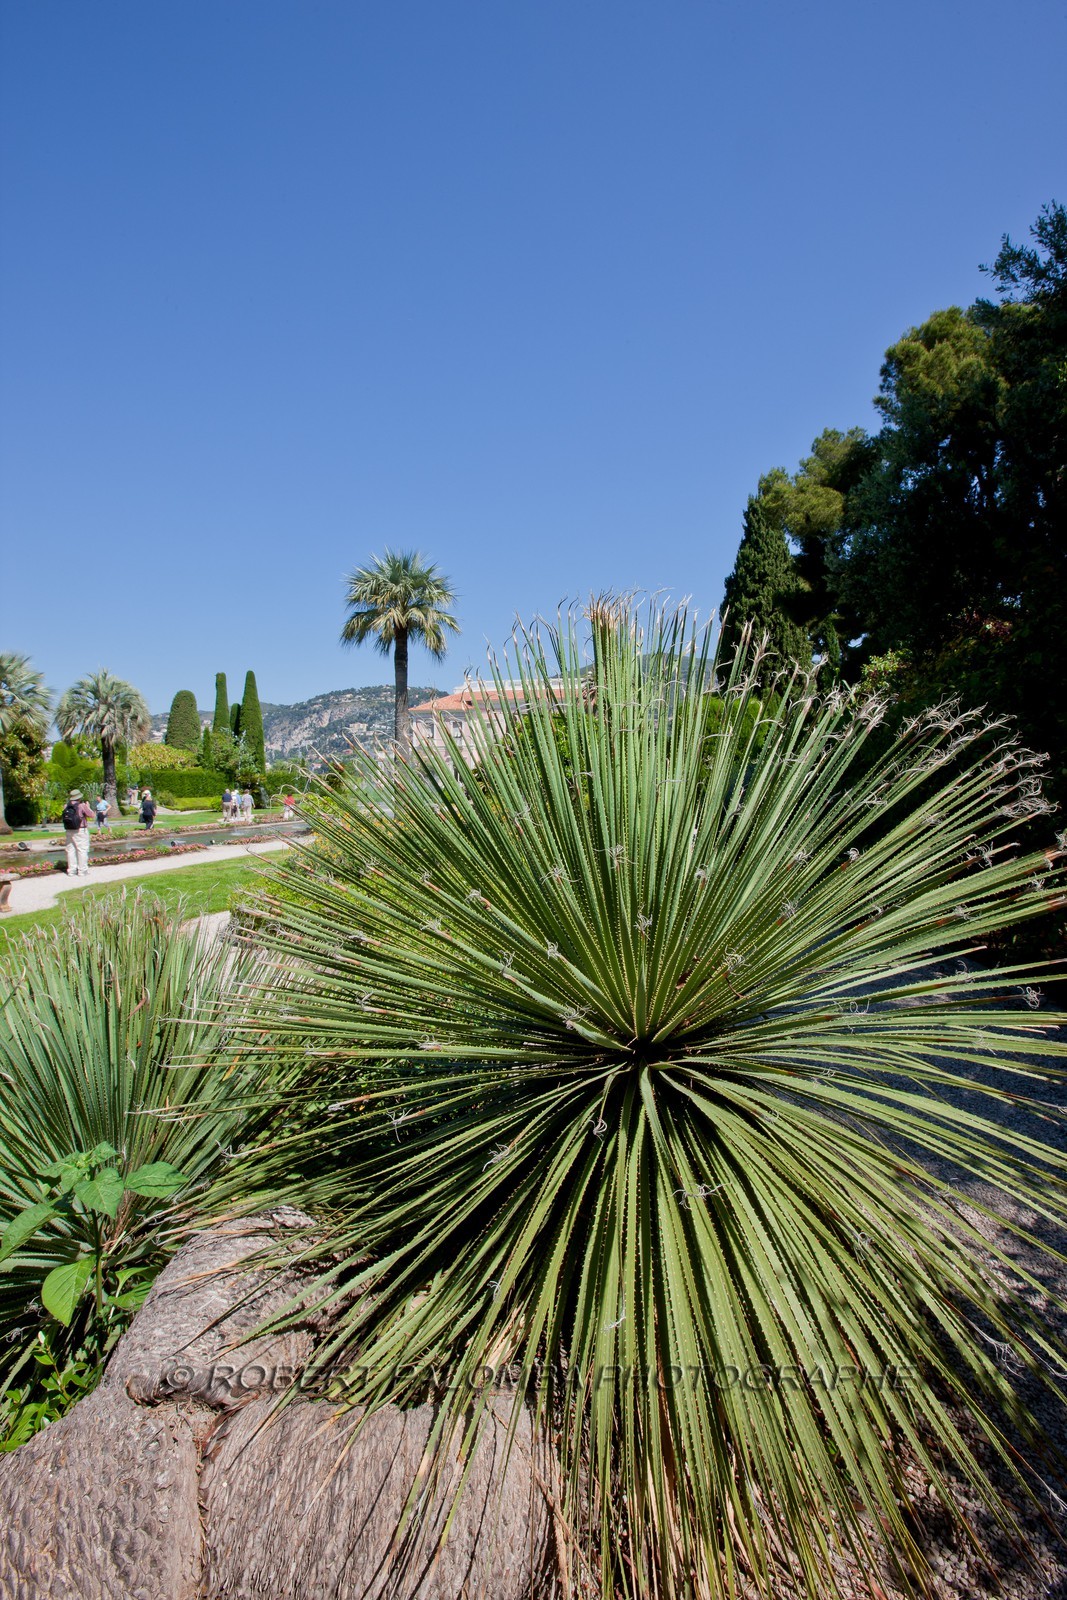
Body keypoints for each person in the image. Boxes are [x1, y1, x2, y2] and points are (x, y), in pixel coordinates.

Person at [62, 788, 93, 877]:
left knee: (70, 850)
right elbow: (91, 815)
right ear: (79, 797)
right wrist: (89, 806)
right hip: (80, 830)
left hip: (69, 830)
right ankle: (82, 870)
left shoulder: (66, 806)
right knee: (82, 850)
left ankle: (72, 871)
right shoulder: (82, 805)